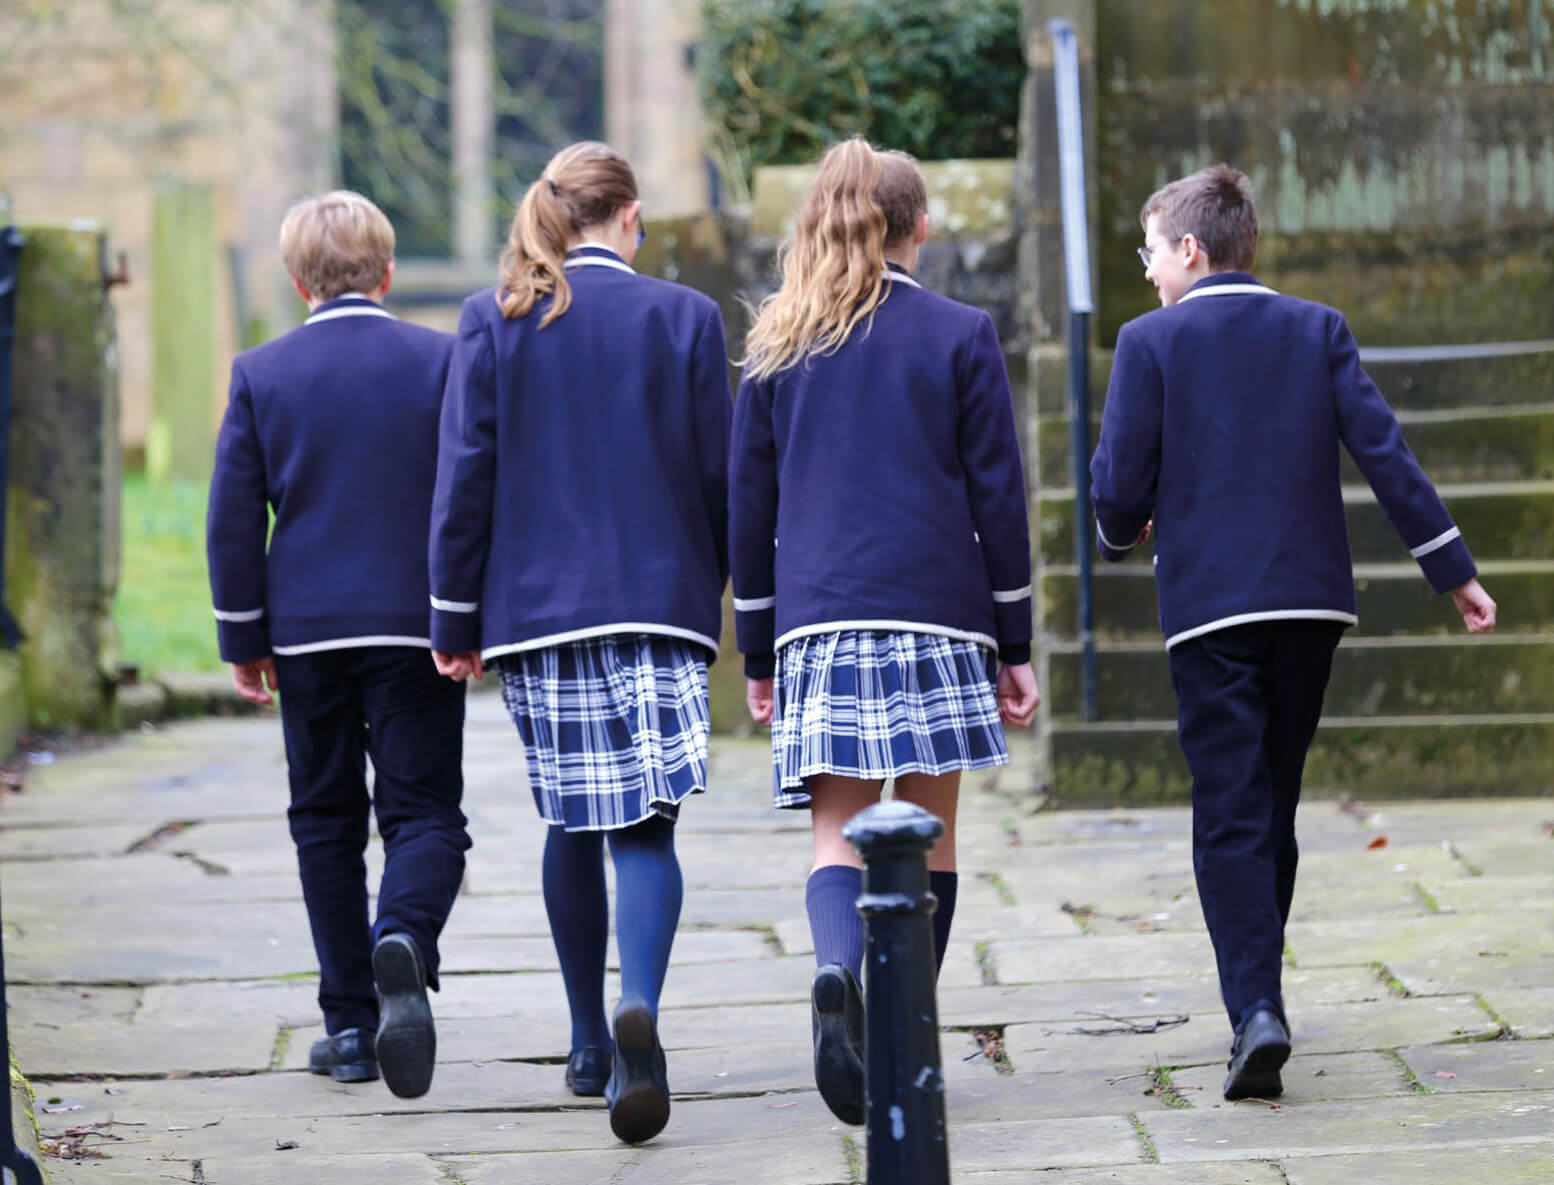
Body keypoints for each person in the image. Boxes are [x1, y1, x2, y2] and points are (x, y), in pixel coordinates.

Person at [1090, 163, 1498, 1102]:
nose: (1147, 272)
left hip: (1209, 610)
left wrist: (1118, 535)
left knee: (1229, 809)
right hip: (1312, 606)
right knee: (1272, 800)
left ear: (1191, 249)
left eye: (1151, 253)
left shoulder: (1148, 342)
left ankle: (1255, 1007)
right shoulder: (1319, 328)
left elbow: (1117, 485)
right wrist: (1453, 570)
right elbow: (1385, 452)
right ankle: (1260, 997)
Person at [729, 138, 1040, 1127]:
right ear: (921, 228)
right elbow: (999, 499)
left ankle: (838, 972)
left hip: (820, 620)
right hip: (939, 618)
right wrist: (1016, 642)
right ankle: (899, 1030)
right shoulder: (961, 333)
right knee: (930, 835)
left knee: (837, 834)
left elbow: (749, 509)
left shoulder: (779, 341)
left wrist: (757, 645)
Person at [427, 141, 730, 1146]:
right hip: (660, 605)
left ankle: (590, 1042)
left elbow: (465, 479)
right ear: (630, 216)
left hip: (539, 613)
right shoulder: (686, 317)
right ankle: (639, 999)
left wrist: (453, 618)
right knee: (647, 824)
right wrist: (738, 598)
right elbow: (722, 476)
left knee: (570, 816)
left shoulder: (495, 317)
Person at [206, 190, 468, 1100]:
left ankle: (350, 1028)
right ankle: (404, 932)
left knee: (324, 820)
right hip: (415, 624)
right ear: (388, 272)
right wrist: (466, 615)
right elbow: (468, 492)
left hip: (306, 630)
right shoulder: (441, 360)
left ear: (296, 281)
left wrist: (244, 636)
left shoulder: (261, 373)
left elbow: (233, 519)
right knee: (425, 813)